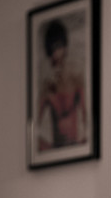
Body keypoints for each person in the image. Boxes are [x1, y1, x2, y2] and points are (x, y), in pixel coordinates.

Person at [37, 18, 87, 150]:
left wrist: (85, 143)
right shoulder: (47, 87)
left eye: (58, 47)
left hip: (76, 147)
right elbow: (32, 126)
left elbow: (87, 117)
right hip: (56, 148)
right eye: (52, 50)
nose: (55, 54)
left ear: (64, 47)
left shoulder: (76, 78)